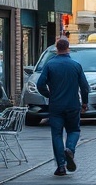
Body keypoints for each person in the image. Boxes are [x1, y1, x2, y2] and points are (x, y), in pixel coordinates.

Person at [36, 37, 90, 176]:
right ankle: (70, 149)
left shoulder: (50, 65)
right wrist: (84, 103)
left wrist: (49, 95)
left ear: (56, 48)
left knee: (57, 134)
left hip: (56, 106)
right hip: (73, 104)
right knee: (74, 130)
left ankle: (61, 166)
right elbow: (84, 87)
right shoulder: (76, 65)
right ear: (68, 48)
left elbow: (40, 84)